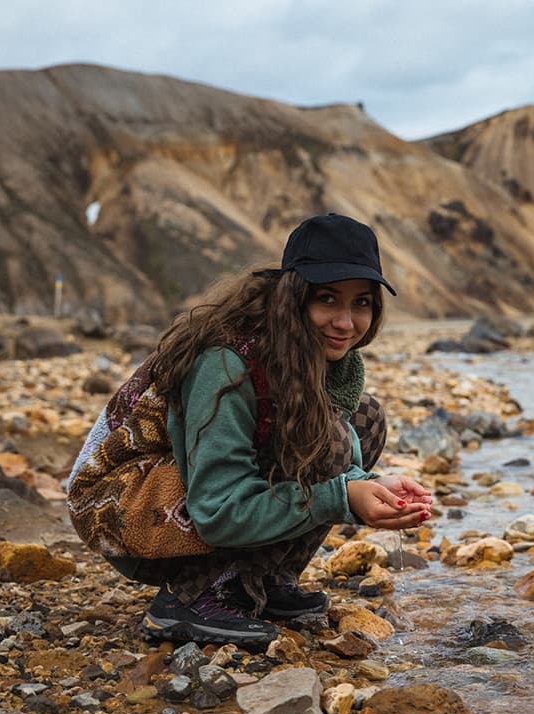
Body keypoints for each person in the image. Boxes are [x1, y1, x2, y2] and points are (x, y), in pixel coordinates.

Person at [66, 213, 433, 647]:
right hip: (115, 502)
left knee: (365, 418)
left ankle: (261, 582)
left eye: (362, 303)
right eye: (328, 299)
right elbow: (219, 509)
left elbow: (337, 458)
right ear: (292, 297)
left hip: (186, 487)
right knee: (322, 439)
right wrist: (342, 496)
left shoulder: (312, 357)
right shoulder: (228, 363)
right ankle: (190, 598)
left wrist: (370, 488)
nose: (346, 322)